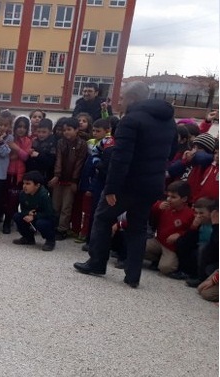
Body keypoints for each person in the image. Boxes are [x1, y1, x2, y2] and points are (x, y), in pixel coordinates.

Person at [74, 81, 177, 288]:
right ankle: (133, 275)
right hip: (151, 184)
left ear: (132, 99)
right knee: (138, 228)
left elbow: (120, 158)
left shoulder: (131, 120)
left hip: (128, 184)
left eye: (121, 98)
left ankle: (96, 263)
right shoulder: (168, 121)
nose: (118, 102)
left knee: (102, 218)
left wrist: (111, 188)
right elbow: (172, 152)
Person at [144, 181, 195, 276]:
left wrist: (180, 234)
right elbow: (150, 214)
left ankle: (170, 262)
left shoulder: (190, 214)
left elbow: (191, 232)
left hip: (171, 247)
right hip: (158, 240)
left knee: (165, 268)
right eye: (168, 196)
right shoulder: (164, 206)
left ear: (184, 199)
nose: (169, 199)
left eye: (173, 197)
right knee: (140, 246)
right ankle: (158, 258)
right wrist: (157, 207)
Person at [50, 117, 88, 240]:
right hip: (59, 178)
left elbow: (79, 163)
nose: (66, 132)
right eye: (64, 130)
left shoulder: (82, 144)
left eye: (69, 129)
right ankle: (53, 226)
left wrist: (74, 180)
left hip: (71, 180)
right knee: (55, 204)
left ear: (77, 130)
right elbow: (58, 160)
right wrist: (56, 175)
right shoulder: (61, 142)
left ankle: (63, 229)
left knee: (66, 206)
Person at [12, 171, 57, 251]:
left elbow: (49, 213)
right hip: (31, 216)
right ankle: (28, 238)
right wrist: (27, 213)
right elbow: (23, 210)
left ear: (37, 185)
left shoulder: (44, 195)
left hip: (45, 218)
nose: (24, 186)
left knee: (41, 223)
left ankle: (50, 241)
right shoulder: (23, 194)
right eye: (24, 183)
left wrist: (34, 216)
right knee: (17, 216)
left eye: (28, 184)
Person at [4, 116, 33, 234]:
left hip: (19, 175)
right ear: (14, 127)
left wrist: (16, 148)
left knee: (15, 199)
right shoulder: (9, 138)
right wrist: (20, 153)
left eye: (24, 127)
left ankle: (10, 220)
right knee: (5, 198)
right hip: (7, 172)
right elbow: (7, 156)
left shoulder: (27, 140)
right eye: (19, 126)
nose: (21, 129)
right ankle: (5, 220)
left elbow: (25, 157)